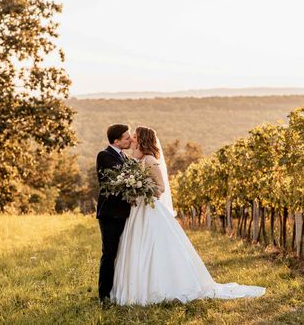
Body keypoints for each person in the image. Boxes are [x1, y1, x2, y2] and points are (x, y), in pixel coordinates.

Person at [110, 126, 266, 306]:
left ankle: (161, 287)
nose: (132, 139)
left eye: (135, 136)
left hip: (150, 209)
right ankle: (133, 289)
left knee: (154, 247)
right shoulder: (136, 159)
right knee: (136, 246)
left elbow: (160, 188)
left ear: (142, 139)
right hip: (137, 210)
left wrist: (142, 189)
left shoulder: (150, 159)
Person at [96, 123, 132, 303]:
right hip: (110, 214)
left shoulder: (124, 156)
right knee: (109, 253)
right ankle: (104, 296)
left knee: (123, 252)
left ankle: (120, 290)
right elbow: (118, 179)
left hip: (125, 213)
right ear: (116, 141)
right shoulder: (104, 156)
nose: (130, 140)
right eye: (127, 138)